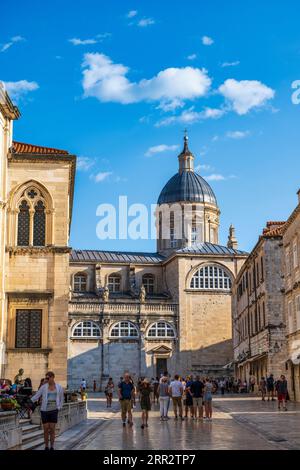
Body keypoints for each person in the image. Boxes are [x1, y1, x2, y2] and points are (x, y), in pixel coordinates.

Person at [31, 371, 64, 451]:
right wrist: (30, 401)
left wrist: (59, 407)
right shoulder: (44, 387)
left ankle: (52, 446)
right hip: (44, 410)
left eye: (48, 378)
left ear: (52, 377)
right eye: (46, 378)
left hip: (54, 410)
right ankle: (46, 446)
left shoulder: (59, 387)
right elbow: (37, 395)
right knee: (46, 429)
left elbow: (61, 398)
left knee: (52, 429)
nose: (47, 379)